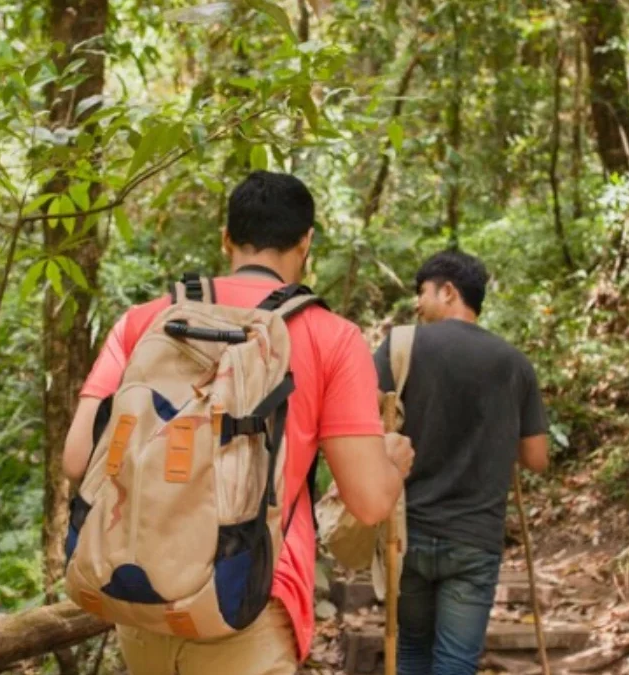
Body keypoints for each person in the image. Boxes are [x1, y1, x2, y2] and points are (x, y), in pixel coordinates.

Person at [62, 170, 414, 675]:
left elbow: (78, 459)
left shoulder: (144, 321)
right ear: (306, 241)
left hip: (144, 603)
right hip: (247, 605)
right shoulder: (331, 337)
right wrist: (393, 462)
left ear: (226, 237)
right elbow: (368, 499)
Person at [374, 250, 549, 675]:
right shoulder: (513, 363)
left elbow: (360, 426)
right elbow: (536, 458)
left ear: (448, 290)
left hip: (408, 533)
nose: (417, 303)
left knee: (412, 651)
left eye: (422, 292)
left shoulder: (400, 347)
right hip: (474, 538)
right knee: (455, 663)